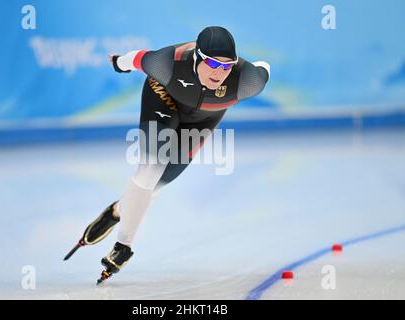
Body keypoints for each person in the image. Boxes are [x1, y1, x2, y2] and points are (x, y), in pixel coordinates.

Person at [64, 26, 270, 284]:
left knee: (156, 185)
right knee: (151, 168)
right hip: (163, 98)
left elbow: (263, 68)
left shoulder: (248, 81)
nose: (219, 73)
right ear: (196, 57)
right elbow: (137, 58)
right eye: (213, 64)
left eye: (227, 66)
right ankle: (123, 246)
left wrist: (249, 67)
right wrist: (118, 63)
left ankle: (117, 211)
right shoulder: (168, 63)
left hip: (201, 121)